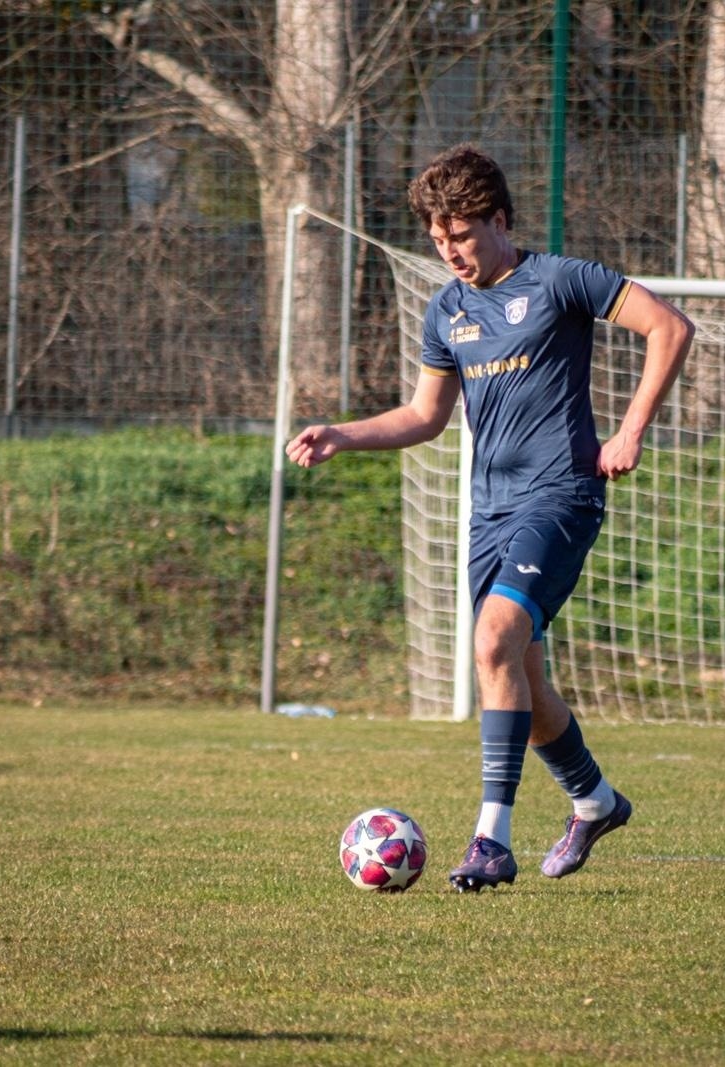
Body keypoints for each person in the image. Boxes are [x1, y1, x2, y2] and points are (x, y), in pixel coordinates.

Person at [287, 144, 693, 892]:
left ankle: (490, 839)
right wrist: (344, 433)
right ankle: (595, 801)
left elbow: (668, 327)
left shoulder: (561, 280)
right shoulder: (448, 309)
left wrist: (631, 429)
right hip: (489, 512)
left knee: (495, 638)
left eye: (464, 236)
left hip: (562, 494)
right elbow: (424, 414)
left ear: (501, 219)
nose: (452, 253)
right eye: (439, 241)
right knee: (516, 676)